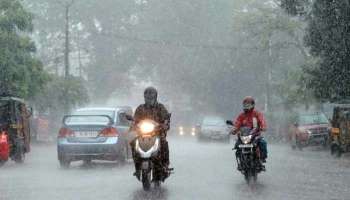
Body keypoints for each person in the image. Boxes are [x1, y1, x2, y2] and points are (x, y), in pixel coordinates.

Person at [130, 87, 171, 180]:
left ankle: (165, 164)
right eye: (147, 98)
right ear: (144, 98)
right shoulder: (140, 108)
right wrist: (133, 124)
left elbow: (166, 119)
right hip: (142, 134)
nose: (149, 100)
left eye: (151, 98)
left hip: (157, 133)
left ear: (155, 97)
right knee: (133, 143)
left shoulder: (160, 107)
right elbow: (135, 120)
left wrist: (165, 124)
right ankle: (137, 167)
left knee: (164, 143)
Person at [231, 96, 268, 170]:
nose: (247, 106)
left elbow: (262, 120)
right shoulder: (242, 116)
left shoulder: (257, 114)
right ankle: (240, 161)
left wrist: (263, 127)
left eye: (248, 104)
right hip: (244, 136)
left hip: (255, 135)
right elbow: (237, 123)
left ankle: (262, 159)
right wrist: (234, 129)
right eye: (245, 104)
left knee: (263, 143)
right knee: (237, 146)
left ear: (253, 104)